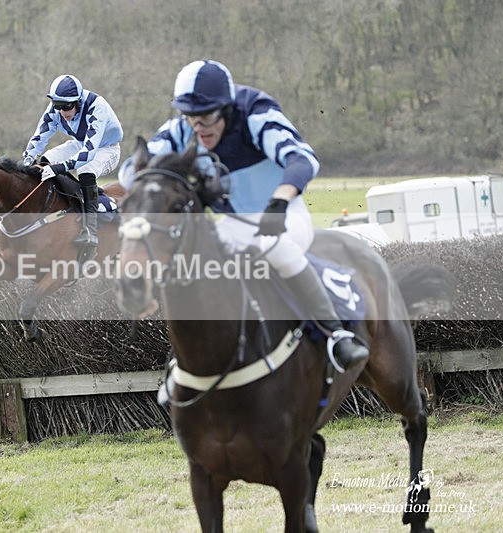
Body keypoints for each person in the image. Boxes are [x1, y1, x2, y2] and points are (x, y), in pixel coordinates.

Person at [119, 60, 368, 372]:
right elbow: (130, 170)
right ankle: (186, 359)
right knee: (194, 257)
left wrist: (281, 198)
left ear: (225, 108)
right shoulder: (183, 128)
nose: (200, 127)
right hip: (234, 222)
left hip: (283, 212)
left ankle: (337, 335)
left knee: (278, 247)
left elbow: (302, 158)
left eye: (207, 117)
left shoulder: (255, 112)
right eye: (192, 118)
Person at [22, 74, 124, 254]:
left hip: (107, 149)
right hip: (79, 143)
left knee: (85, 168)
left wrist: (60, 167)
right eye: (58, 106)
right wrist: (27, 160)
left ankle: (90, 230)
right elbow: (39, 137)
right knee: (45, 160)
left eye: (67, 106)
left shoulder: (96, 107)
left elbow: (89, 152)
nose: (62, 112)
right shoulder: (56, 109)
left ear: (78, 101)